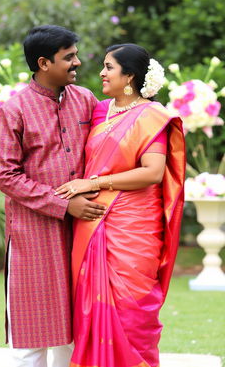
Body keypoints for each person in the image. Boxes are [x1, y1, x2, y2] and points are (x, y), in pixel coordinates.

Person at [55, 43, 186, 367]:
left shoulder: (152, 116)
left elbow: (153, 172)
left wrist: (94, 183)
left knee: (132, 309)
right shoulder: (98, 111)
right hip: (93, 222)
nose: (101, 72)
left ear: (129, 76)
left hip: (134, 226)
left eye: (109, 67)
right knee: (89, 308)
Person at [0, 25, 106, 367]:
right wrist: (63, 203)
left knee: (77, 329)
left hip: (83, 231)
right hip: (33, 234)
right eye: (68, 57)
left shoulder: (86, 100)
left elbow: (108, 148)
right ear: (44, 63)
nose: (77, 63)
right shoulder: (12, 111)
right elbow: (8, 177)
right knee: (33, 332)